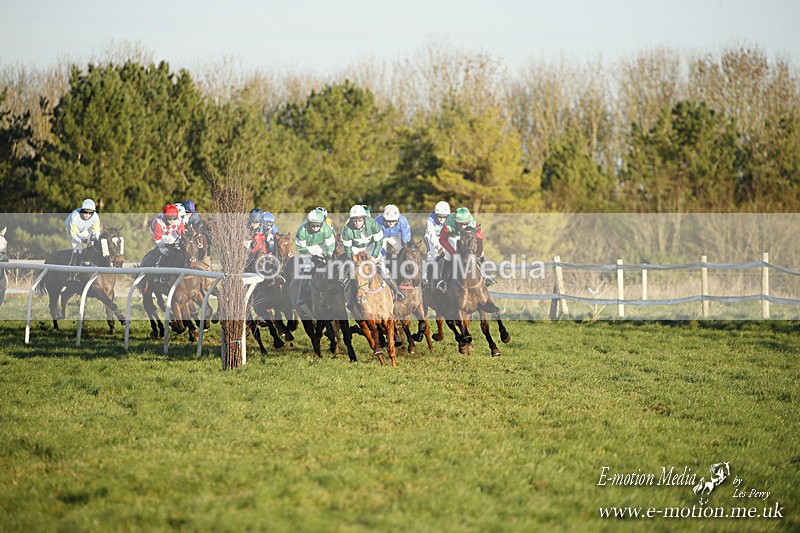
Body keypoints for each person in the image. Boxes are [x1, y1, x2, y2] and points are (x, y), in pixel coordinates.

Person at [341, 204, 404, 308]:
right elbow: (347, 249)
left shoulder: (373, 224)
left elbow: (379, 242)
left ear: (364, 218)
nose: (357, 223)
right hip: (355, 250)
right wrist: (352, 260)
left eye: (360, 220)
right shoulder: (347, 230)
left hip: (371, 247)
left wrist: (374, 256)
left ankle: (397, 291)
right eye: (354, 220)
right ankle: (350, 299)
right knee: (351, 273)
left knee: (383, 269)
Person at [436, 207, 494, 292]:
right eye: (460, 224)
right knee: (448, 255)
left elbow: (480, 238)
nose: (463, 226)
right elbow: (442, 240)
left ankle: (486, 275)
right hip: (453, 236)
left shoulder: (474, 224)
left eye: (466, 223)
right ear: (456, 221)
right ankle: (443, 281)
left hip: (467, 236)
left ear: (469, 220)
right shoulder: (448, 224)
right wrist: (454, 253)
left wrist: (478, 253)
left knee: (481, 253)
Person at [294, 209, 337, 315]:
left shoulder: (326, 229)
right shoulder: (302, 230)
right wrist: (311, 256)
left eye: (318, 225)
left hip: (322, 245)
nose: (315, 228)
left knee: (330, 265)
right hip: (307, 247)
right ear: (308, 223)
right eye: (313, 225)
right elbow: (300, 247)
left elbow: (330, 244)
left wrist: (329, 255)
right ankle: (302, 295)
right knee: (308, 267)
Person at [65, 199, 101, 281]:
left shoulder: (95, 216)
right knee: (78, 248)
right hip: (72, 230)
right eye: (85, 212)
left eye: (90, 212)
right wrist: (84, 240)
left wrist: (94, 238)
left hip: (85, 229)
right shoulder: (75, 217)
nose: (87, 215)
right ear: (82, 210)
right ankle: (72, 273)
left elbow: (96, 231)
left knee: (92, 243)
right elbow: (74, 235)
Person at [150, 204, 185, 283]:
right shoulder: (158, 222)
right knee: (165, 251)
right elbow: (157, 239)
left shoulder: (179, 220)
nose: (172, 221)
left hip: (172, 232)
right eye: (170, 219)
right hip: (159, 234)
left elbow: (182, 234)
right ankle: (158, 274)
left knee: (178, 248)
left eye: (174, 218)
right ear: (165, 217)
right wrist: (165, 246)